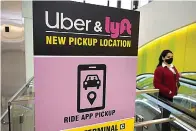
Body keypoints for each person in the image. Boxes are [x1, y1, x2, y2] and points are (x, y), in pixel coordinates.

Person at [153, 50, 180, 131]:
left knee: (166, 113)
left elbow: (175, 76)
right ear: (163, 58)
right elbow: (156, 84)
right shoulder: (159, 69)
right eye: (168, 57)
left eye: (172, 57)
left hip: (171, 95)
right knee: (166, 116)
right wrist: (168, 90)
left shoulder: (172, 67)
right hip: (162, 95)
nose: (170, 58)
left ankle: (156, 120)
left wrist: (178, 76)